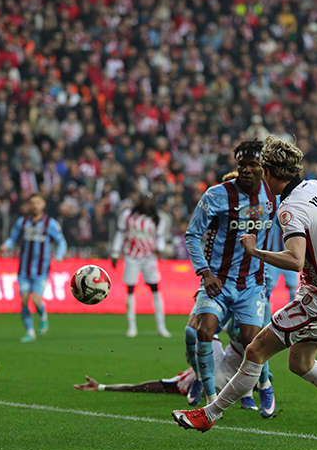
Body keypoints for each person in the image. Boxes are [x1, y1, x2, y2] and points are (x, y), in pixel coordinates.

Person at [173, 135, 317, 450]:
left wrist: (255, 251)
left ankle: (209, 414)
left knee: (256, 350)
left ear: (270, 172)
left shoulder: (289, 209)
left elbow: (295, 260)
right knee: (300, 363)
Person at [184, 141, 277, 415]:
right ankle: (210, 398)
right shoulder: (217, 195)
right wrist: (206, 273)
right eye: (241, 165)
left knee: (252, 340)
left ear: (264, 168)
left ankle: (265, 386)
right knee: (202, 330)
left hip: (252, 283)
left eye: (252, 165)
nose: (245, 170)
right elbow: (192, 235)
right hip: (218, 281)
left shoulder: (274, 195)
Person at [75, 329, 258, 409]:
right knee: (249, 343)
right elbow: (152, 386)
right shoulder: (181, 383)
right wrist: (102, 387)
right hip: (230, 375)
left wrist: (103, 387)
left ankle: (258, 387)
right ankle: (259, 386)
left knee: (207, 333)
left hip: (218, 372)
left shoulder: (181, 382)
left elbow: (151, 386)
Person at [1, 193, 68, 342]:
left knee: (37, 301)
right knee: (24, 301)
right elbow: (13, 237)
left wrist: (59, 255)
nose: (35, 206)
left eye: (37, 203)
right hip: (24, 269)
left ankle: (42, 315)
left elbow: (61, 241)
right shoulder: (22, 222)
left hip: (41, 270)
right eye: (32, 203)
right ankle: (30, 332)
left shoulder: (50, 223)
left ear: (43, 204)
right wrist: (7, 245)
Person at [110, 192, 171, 338]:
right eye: (144, 200)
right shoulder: (128, 216)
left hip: (149, 257)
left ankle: (161, 326)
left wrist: (160, 249)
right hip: (131, 256)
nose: (146, 203)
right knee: (130, 289)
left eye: (149, 201)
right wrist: (115, 252)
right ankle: (132, 327)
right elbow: (120, 234)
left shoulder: (157, 219)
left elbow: (159, 238)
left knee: (155, 288)